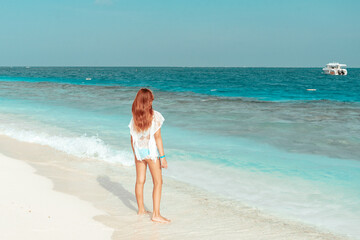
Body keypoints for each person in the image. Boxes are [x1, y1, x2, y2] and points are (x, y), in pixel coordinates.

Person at [128, 88, 170, 223]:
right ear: (147, 101)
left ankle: (141, 210)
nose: (153, 101)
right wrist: (162, 158)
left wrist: (136, 155)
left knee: (140, 180)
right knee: (158, 182)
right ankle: (156, 214)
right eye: (151, 99)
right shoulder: (155, 116)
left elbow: (132, 137)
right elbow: (157, 137)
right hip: (151, 153)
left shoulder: (135, 116)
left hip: (139, 152)